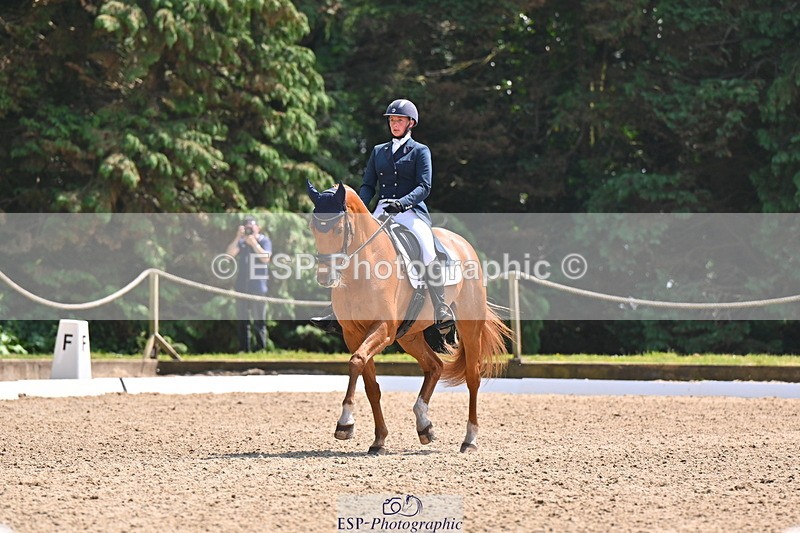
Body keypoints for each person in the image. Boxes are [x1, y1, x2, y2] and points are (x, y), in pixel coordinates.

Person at [311, 98, 454, 332]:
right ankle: (335, 308)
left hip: (410, 212)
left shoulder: (420, 151)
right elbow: (368, 185)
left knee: (427, 248)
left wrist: (403, 203)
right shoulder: (379, 151)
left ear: (411, 123)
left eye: (399, 120)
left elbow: (424, 186)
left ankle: (440, 308)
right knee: (351, 245)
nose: (394, 124)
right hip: (381, 210)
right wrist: (357, 210)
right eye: (392, 120)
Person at [226, 215, 272, 351]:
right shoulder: (241, 242)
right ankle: (244, 349)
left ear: (258, 228)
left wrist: (254, 243)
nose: (250, 231)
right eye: (247, 228)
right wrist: (237, 238)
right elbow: (229, 256)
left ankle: (261, 349)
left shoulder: (264, 241)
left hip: (259, 287)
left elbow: (266, 258)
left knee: (259, 321)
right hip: (242, 286)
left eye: (252, 228)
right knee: (242, 321)